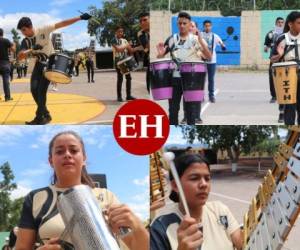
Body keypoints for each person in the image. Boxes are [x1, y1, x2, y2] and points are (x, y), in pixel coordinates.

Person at [15, 131, 149, 250]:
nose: (67, 155)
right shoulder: (36, 198)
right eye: (60, 151)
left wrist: (137, 226)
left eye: (73, 151)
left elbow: (137, 246)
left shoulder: (106, 196)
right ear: (51, 161)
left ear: (84, 158)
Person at [150, 153, 243, 250]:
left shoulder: (220, 210)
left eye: (207, 178)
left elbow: (242, 244)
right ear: (175, 186)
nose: (204, 184)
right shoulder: (160, 228)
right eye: (194, 178)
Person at [17, 13, 92, 125]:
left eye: (24, 30)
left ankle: (40, 117)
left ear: (30, 27)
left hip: (49, 64)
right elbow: (20, 55)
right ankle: (46, 114)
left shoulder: (44, 30)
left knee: (41, 92)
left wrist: (80, 18)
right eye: (21, 31)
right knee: (33, 90)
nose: (23, 33)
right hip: (38, 65)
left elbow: (62, 23)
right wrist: (32, 49)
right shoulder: (25, 41)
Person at [156, 12, 212, 125]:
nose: (182, 25)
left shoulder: (196, 40)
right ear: (177, 23)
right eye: (180, 23)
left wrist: (201, 41)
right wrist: (160, 54)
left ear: (189, 24)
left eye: (184, 23)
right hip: (174, 80)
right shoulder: (172, 39)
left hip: (191, 81)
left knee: (191, 112)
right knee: (173, 110)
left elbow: (209, 57)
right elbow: (161, 55)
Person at [271, 11, 300, 125]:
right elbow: (272, 59)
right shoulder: (282, 38)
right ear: (290, 24)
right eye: (298, 23)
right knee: (290, 108)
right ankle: (291, 136)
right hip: (288, 76)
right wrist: (279, 55)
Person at [181, 21, 204, 125]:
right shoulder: (181, 41)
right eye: (189, 26)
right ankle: (186, 117)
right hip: (185, 70)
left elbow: (205, 55)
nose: (190, 28)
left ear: (196, 29)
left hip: (198, 70)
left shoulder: (201, 41)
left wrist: (198, 50)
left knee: (197, 95)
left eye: (193, 26)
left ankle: (197, 117)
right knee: (186, 95)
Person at [264, 17, 285, 123]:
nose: (280, 24)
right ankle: (273, 96)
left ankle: (284, 97)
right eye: (279, 22)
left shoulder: (287, 33)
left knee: (284, 79)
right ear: (276, 23)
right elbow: (266, 45)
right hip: (274, 59)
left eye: (282, 22)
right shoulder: (271, 33)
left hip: (285, 60)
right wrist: (267, 47)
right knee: (272, 77)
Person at [201, 20, 226, 103]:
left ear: (211, 26)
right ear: (203, 26)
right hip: (202, 61)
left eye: (209, 26)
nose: (207, 27)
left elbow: (221, 44)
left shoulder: (214, 36)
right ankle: (201, 96)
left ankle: (211, 96)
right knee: (202, 79)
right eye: (206, 26)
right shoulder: (200, 35)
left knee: (211, 79)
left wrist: (223, 46)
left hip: (212, 61)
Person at [112, 26, 137, 102]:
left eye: (122, 31)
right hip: (119, 61)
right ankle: (119, 96)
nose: (120, 33)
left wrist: (138, 47)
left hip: (125, 60)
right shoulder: (114, 40)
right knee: (120, 79)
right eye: (119, 31)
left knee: (128, 78)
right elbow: (119, 49)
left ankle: (128, 96)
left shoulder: (125, 40)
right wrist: (127, 45)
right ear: (116, 32)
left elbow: (131, 50)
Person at [0, 28, 15, 101]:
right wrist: (13, 45)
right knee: (6, 81)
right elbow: (13, 49)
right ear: (2, 33)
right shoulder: (6, 40)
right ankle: (7, 97)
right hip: (4, 63)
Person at [137, 12, 150, 92]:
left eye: (145, 20)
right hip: (151, 62)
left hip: (165, 61)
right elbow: (146, 48)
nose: (142, 23)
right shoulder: (140, 34)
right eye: (140, 21)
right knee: (149, 87)